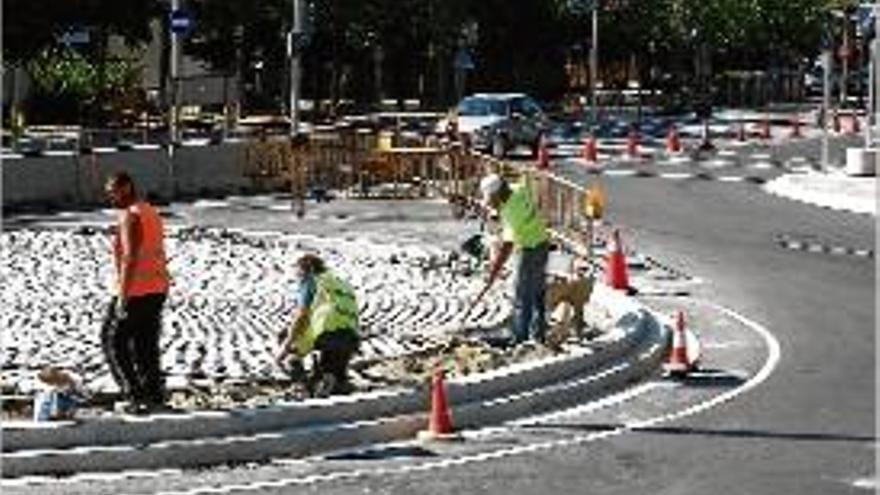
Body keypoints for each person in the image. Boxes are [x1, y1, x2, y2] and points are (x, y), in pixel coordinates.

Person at [102, 172, 170, 413]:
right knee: (145, 343)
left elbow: (130, 257)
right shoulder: (149, 210)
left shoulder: (130, 215)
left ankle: (133, 394)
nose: (110, 197)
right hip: (158, 286)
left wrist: (122, 296)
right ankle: (154, 393)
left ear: (127, 187)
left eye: (113, 191)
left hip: (136, 289)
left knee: (112, 340)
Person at [467, 173, 549, 345]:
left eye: (491, 199)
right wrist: (497, 213)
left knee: (521, 293)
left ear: (498, 194)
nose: (490, 203)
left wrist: (493, 272)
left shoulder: (512, 212)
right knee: (537, 291)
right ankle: (539, 333)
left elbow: (506, 247)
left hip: (529, 249)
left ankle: (519, 337)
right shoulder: (517, 190)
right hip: (542, 242)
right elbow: (511, 206)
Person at [276, 254, 360, 397]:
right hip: (351, 338)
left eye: (298, 274)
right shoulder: (340, 283)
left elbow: (301, 316)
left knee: (286, 335)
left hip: (327, 333)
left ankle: (300, 384)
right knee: (333, 374)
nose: (297, 279)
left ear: (307, 270)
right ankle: (332, 378)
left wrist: (284, 348)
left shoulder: (311, 280)